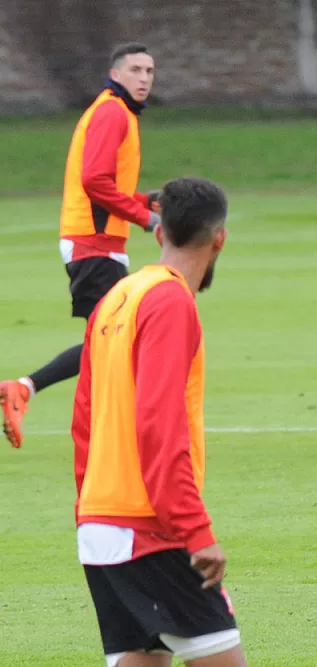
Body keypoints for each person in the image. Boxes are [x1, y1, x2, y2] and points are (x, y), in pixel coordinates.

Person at [72, 177, 247, 666]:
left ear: (158, 233)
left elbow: (83, 422)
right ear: (220, 238)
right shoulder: (170, 303)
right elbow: (158, 424)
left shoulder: (117, 296)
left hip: (103, 527)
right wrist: (195, 531)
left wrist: (88, 512)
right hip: (149, 529)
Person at [2, 43, 162, 449]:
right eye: (136, 70)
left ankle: (24, 390)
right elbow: (95, 181)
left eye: (150, 71)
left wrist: (145, 202)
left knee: (111, 338)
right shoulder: (111, 112)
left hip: (100, 242)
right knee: (116, 339)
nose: (144, 78)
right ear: (116, 74)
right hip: (93, 244)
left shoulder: (117, 111)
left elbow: (107, 184)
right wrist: (146, 218)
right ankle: (103, 430)